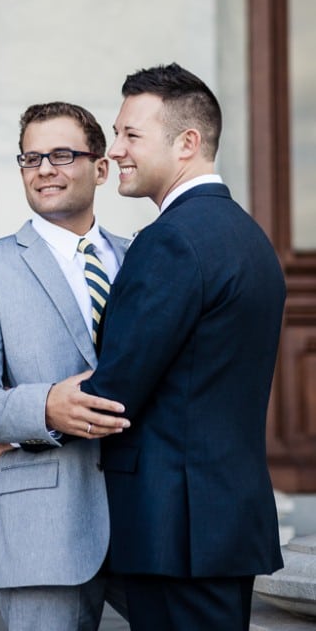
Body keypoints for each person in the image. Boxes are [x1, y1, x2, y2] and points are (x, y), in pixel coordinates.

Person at [45, 63, 286, 631]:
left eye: (132, 134)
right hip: (221, 518)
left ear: (187, 143)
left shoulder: (171, 243)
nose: (116, 149)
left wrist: (33, 425)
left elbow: (115, 393)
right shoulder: (247, 236)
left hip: (174, 529)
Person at [0, 101, 131, 631]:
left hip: (148, 513)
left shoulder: (142, 257)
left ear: (100, 167)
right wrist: (44, 407)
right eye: (31, 158)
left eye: (62, 154)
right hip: (42, 520)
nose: (44, 168)